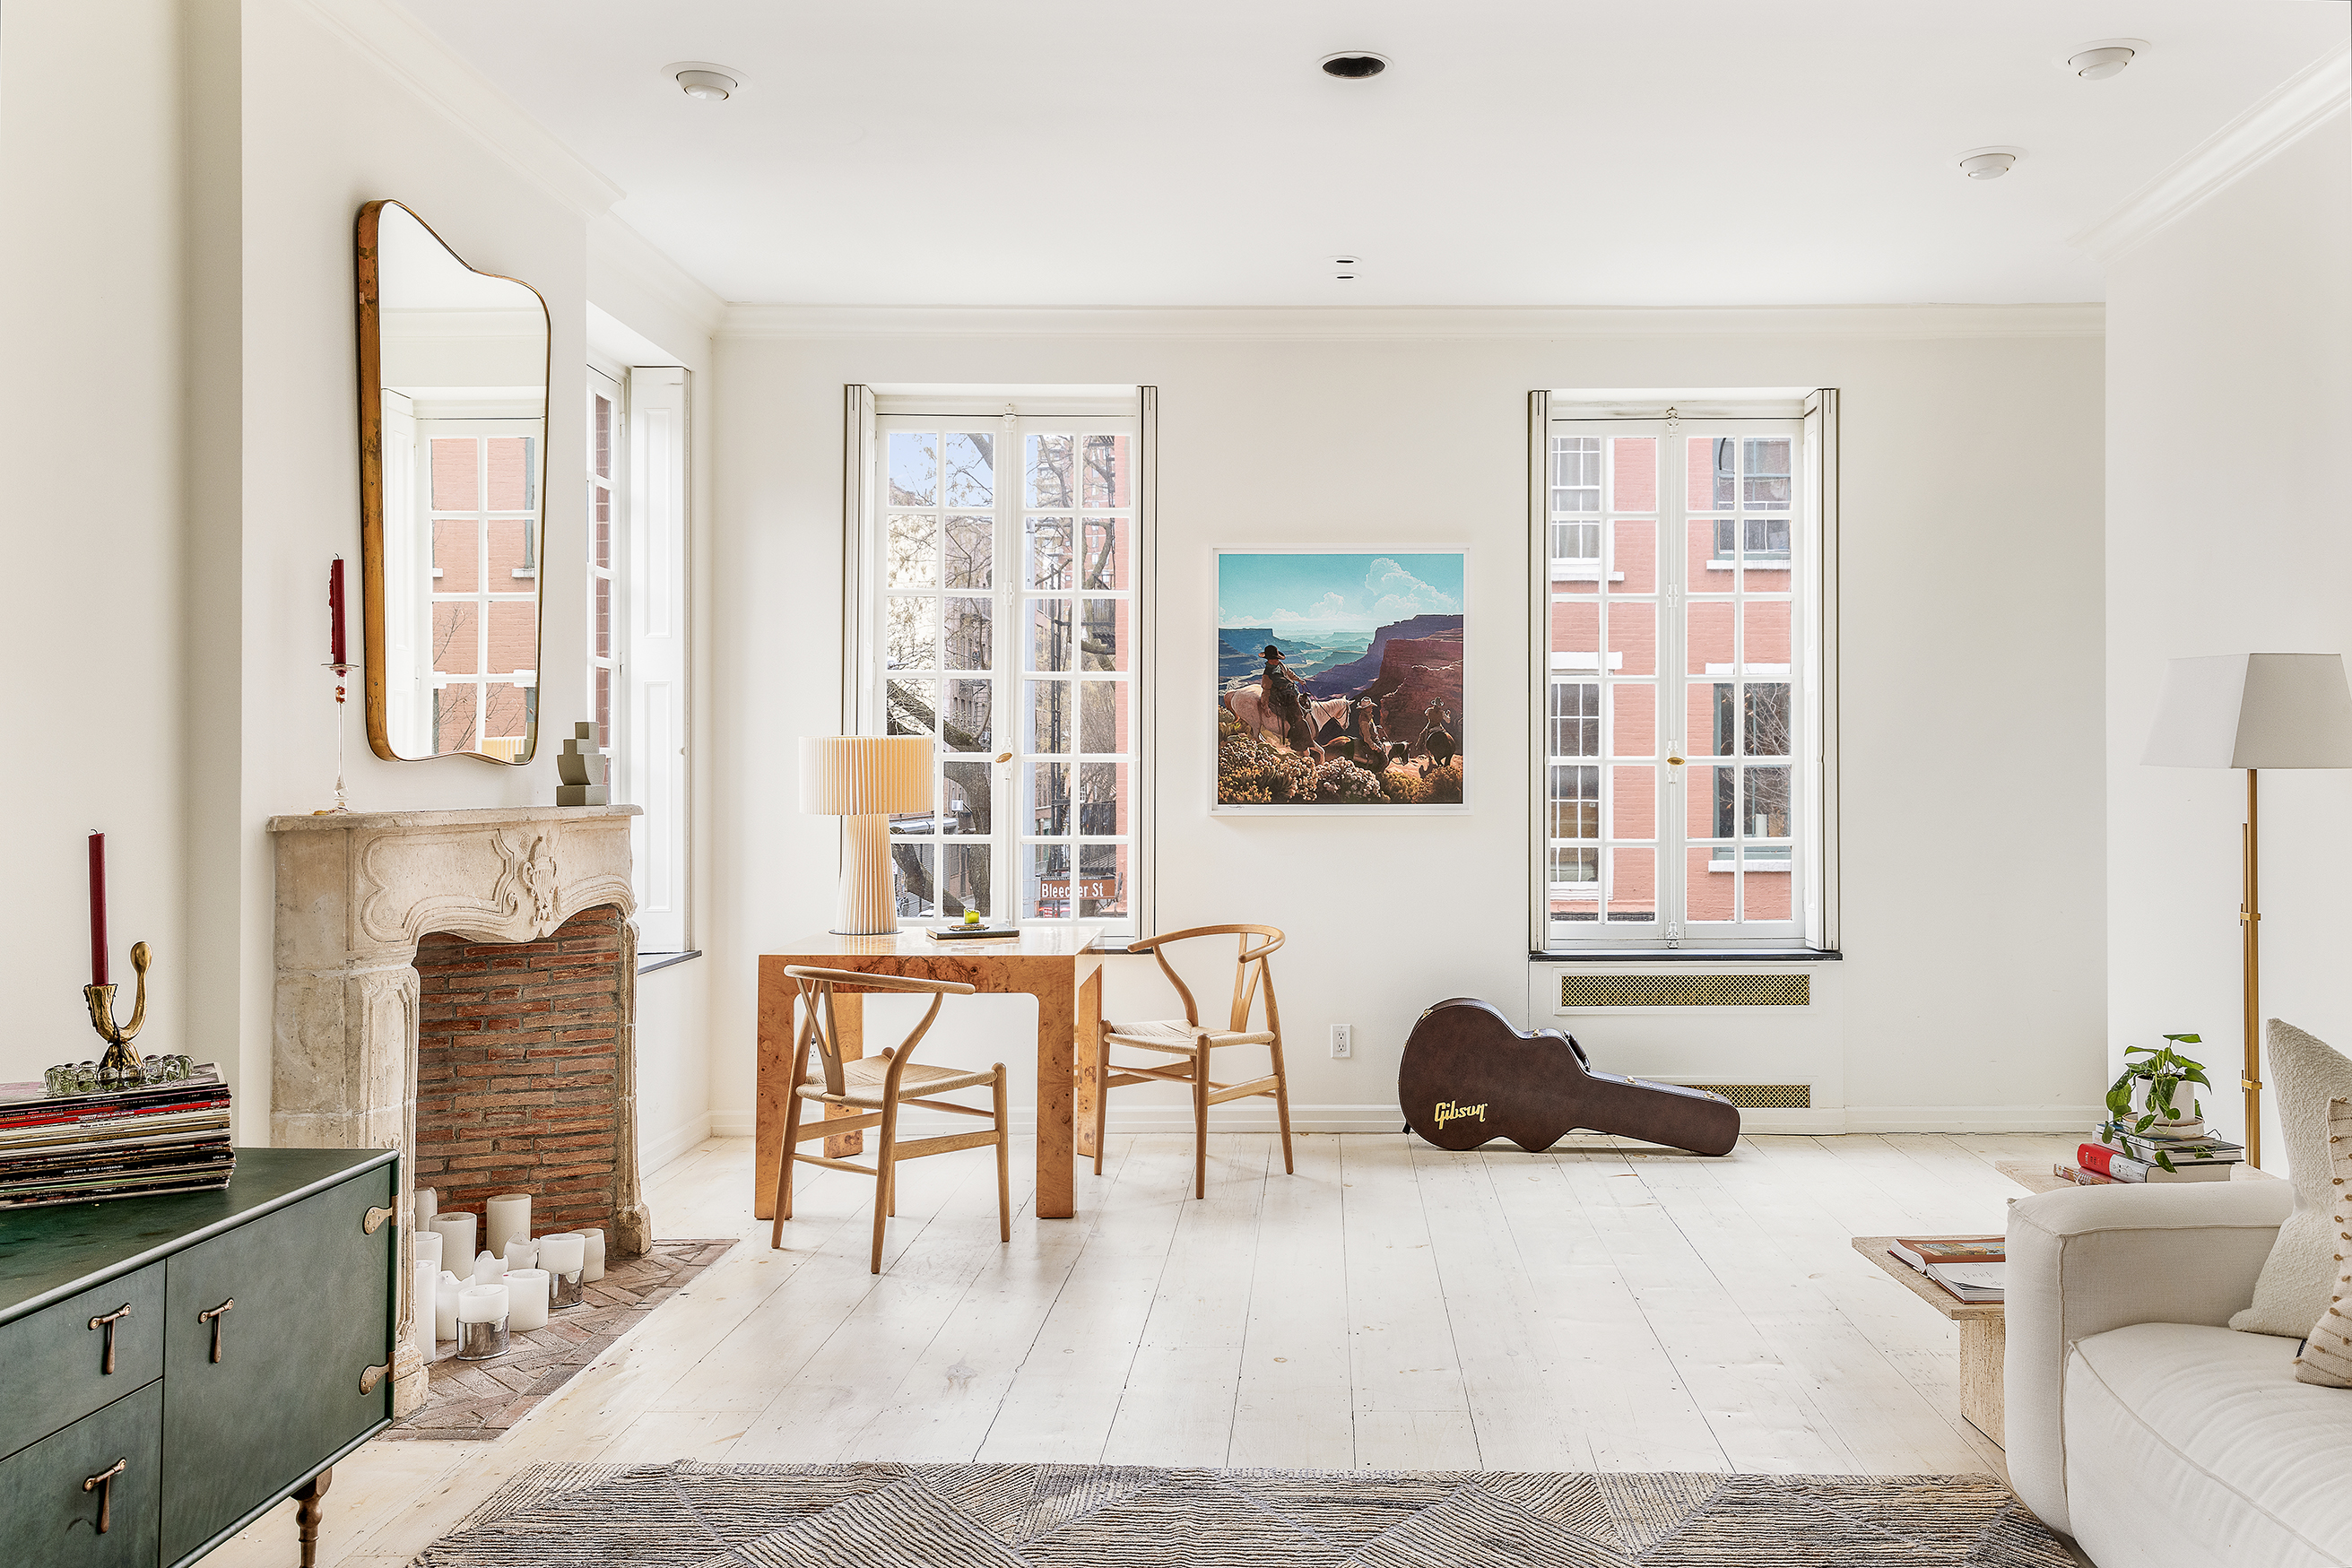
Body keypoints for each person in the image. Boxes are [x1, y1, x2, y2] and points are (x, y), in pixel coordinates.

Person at [1261, 645, 1315, 753]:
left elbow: (1289, 673)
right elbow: (1266, 691)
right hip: (1282, 697)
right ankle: (1299, 745)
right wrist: (1266, 706)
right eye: (1275, 658)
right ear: (1269, 660)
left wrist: (1299, 680)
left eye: (1277, 658)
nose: (1277, 660)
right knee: (1297, 718)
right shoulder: (1267, 674)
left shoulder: (1280, 664)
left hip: (1292, 691)